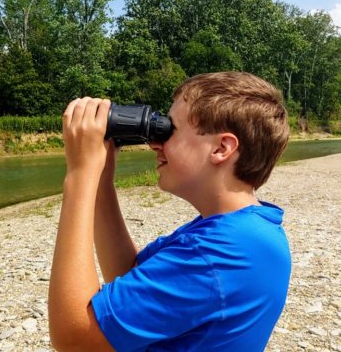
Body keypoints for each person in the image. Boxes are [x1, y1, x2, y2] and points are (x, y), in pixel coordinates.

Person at [48, 71, 291, 352]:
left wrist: (79, 176)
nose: (155, 143)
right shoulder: (244, 231)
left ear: (222, 148)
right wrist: (102, 182)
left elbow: (73, 339)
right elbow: (128, 273)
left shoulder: (218, 254)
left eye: (169, 129)